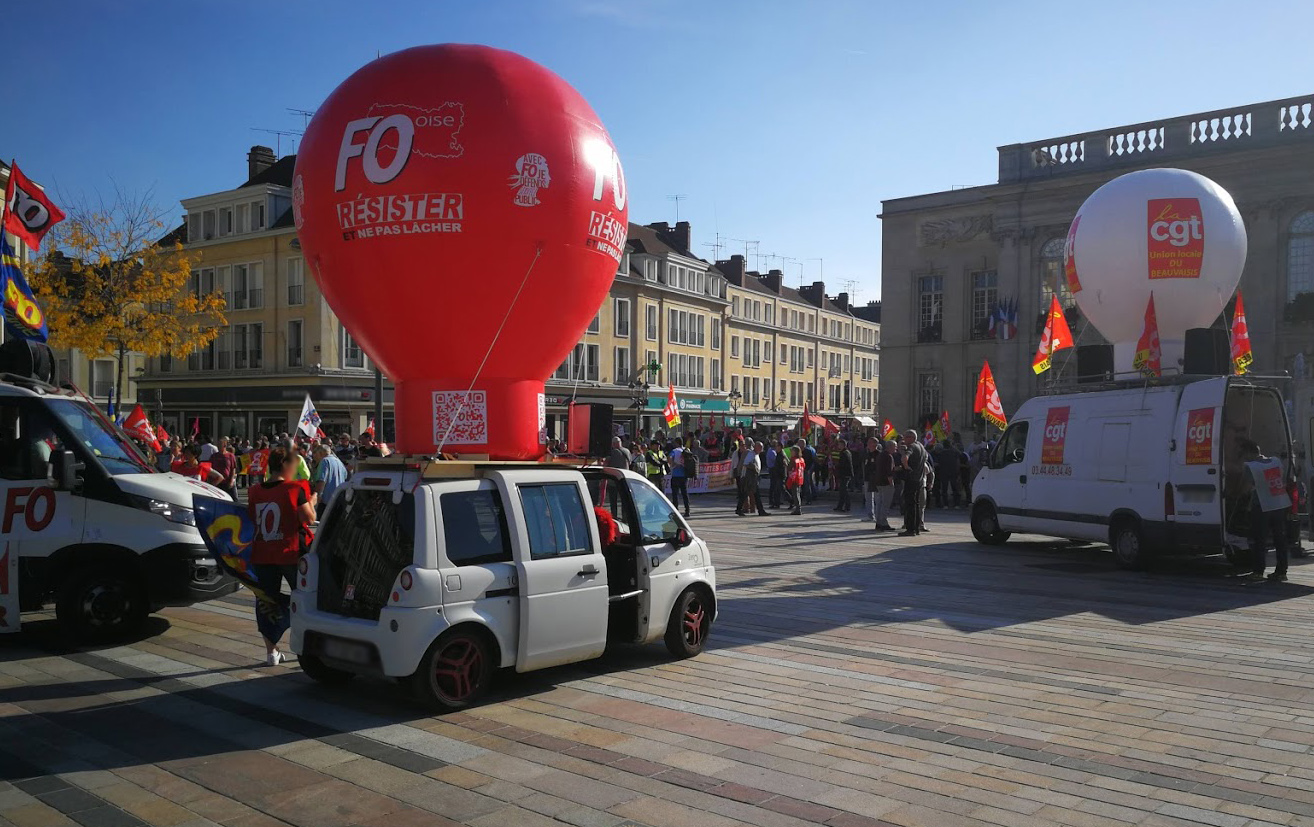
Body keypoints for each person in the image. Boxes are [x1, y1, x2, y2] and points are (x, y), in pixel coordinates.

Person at [248, 447, 316, 665]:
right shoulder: (295, 488)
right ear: (286, 466)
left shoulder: (254, 490)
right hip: (289, 552)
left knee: (266, 601)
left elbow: (252, 518)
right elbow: (309, 518)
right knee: (304, 598)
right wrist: (313, 499)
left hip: (263, 553)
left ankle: (271, 651)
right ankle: (305, 646)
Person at [1240, 439, 1292, 582]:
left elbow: (1245, 489)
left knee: (1259, 540)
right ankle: (1282, 572)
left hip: (1262, 506)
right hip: (1280, 504)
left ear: (1249, 453)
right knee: (1280, 540)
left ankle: (1258, 571)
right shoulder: (1275, 461)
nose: (1243, 458)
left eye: (1244, 454)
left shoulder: (1251, 466)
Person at [899, 430, 928, 537]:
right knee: (916, 505)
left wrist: (907, 467)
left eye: (905, 437)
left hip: (911, 479)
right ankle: (916, 529)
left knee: (910, 504)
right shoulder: (921, 447)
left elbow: (905, 458)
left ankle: (910, 529)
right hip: (919, 479)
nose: (904, 440)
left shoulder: (911, 447)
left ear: (911, 438)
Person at [311, 444, 348, 520]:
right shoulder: (339, 462)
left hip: (326, 501)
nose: (315, 458)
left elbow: (322, 480)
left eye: (316, 455)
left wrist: (318, 495)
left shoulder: (324, 461)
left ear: (321, 453)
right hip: (338, 499)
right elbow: (345, 476)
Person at [872, 440, 897, 531]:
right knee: (885, 504)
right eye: (895, 446)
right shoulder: (889, 457)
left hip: (878, 482)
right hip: (886, 483)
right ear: (890, 447)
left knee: (879, 503)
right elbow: (889, 472)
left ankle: (878, 522)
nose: (896, 448)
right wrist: (891, 483)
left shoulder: (880, 455)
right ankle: (883, 522)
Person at [669, 441, 691, 517]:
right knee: (684, 493)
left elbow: (670, 458)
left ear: (677, 443)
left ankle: (676, 510)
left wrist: (673, 464)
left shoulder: (675, 451)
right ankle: (687, 510)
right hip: (684, 475)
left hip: (675, 475)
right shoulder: (686, 450)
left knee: (675, 494)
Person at [785, 440, 807, 515]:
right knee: (797, 493)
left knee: (795, 494)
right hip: (800, 477)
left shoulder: (793, 460)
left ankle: (798, 508)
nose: (791, 452)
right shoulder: (801, 459)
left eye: (792, 451)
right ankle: (798, 507)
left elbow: (789, 468)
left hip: (794, 478)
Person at [833, 438, 854, 512]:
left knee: (844, 490)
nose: (838, 446)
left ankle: (847, 506)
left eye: (839, 444)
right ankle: (840, 506)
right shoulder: (846, 452)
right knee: (842, 491)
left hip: (845, 474)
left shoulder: (844, 453)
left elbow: (844, 464)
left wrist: (837, 465)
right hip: (845, 473)